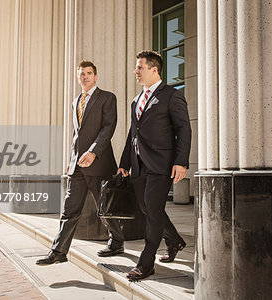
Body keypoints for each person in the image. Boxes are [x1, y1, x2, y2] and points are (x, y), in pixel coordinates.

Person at [36, 61, 124, 265]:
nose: (85, 77)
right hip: (77, 166)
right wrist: (71, 160)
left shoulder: (107, 98)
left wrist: (93, 152)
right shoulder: (76, 101)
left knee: (104, 207)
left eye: (89, 73)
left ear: (96, 76)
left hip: (98, 163)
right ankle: (58, 252)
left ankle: (117, 240)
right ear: (78, 78)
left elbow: (108, 128)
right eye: (81, 74)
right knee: (69, 209)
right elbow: (77, 135)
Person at [118, 51, 191, 280]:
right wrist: (125, 162)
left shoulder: (171, 95)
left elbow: (184, 129)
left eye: (139, 67)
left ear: (154, 69)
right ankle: (175, 241)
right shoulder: (136, 100)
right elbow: (133, 133)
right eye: (136, 67)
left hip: (162, 165)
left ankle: (146, 263)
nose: (135, 71)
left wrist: (181, 161)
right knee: (149, 209)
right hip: (139, 166)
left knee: (152, 212)